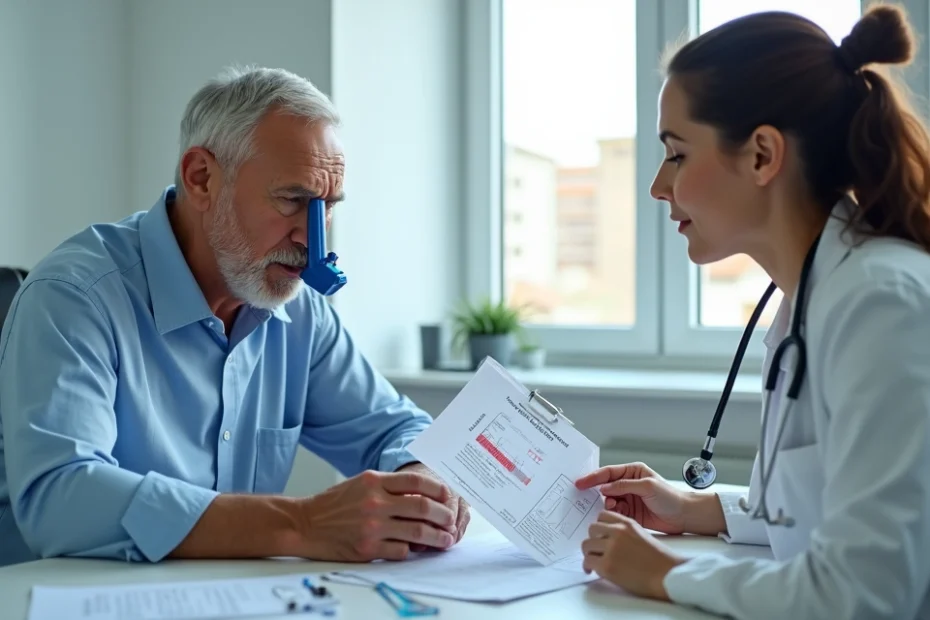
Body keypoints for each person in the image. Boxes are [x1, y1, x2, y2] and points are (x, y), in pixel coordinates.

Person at [0, 66, 469, 567]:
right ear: (200, 178)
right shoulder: (74, 297)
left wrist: (426, 475)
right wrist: (302, 525)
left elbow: (391, 428)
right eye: (293, 200)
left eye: (327, 207)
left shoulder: (298, 309)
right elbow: (60, 499)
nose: (314, 243)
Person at [576, 5, 930, 619]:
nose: (659, 186)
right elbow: (826, 504)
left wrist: (669, 573)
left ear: (763, 155)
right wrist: (696, 511)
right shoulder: (808, 291)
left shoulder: (882, 304)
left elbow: (866, 592)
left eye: (678, 154)